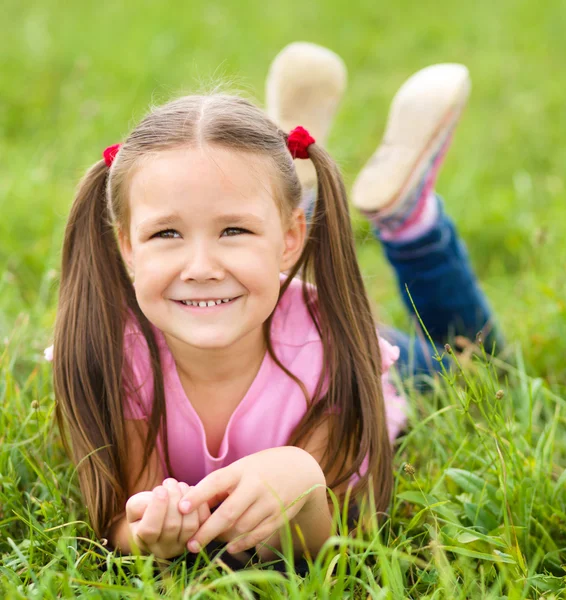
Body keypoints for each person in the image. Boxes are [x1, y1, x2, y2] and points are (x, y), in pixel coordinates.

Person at [50, 42, 502, 565]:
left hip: (321, 331)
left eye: (232, 230)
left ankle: (409, 220)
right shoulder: (115, 352)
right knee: (247, 226)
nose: (200, 266)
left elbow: (332, 540)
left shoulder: (332, 350)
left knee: (482, 364)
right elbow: (121, 523)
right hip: (258, 296)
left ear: (293, 240)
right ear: (127, 244)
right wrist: (153, 532)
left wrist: (303, 481)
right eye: (167, 233)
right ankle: (280, 186)